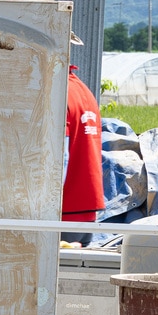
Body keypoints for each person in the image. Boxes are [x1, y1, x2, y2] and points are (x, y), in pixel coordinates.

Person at [61, 32, 105, 245]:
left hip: (62, 212)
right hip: (85, 210)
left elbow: (61, 158)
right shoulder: (82, 90)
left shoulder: (58, 93)